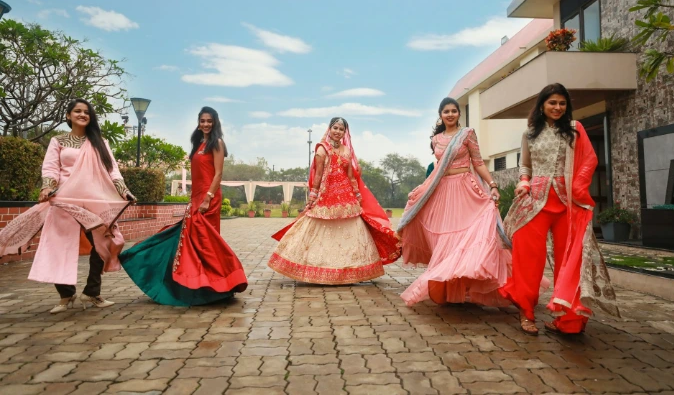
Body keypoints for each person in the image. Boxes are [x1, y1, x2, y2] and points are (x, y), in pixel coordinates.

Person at [500, 83, 619, 335]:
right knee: (529, 260)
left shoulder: (575, 130)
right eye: (552, 102)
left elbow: (590, 159)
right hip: (535, 202)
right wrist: (523, 182)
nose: (557, 107)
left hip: (568, 204)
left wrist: (578, 187)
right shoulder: (530, 133)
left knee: (570, 261)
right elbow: (525, 166)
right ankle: (526, 312)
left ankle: (569, 320)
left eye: (562, 103)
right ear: (542, 105)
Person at [0, 98, 136, 313]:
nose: (82, 115)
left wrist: (123, 190)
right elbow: (51, 167)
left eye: (86, 112)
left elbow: (112, 170)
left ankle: (92, 292)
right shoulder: (59, 141)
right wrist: (47, 187)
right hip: (65, 200)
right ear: (68, 116)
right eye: (77, 111)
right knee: (58, 245)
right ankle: (66, 294)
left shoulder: (100, 142)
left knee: (106, 242)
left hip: (95, 200)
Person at [396, 97, 518, 307]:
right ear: (440, 115)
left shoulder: (467, 134)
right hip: (443, 191)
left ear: (458, 114)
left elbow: (478, 162)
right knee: (445, 240)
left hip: (465, 188)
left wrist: (493, 185)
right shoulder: (436, 139)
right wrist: (422, 188)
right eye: (446, 112)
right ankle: (449, 287)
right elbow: (437, 169)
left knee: (467, 236)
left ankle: (468, 283)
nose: (450, 114)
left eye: (454, 111)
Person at [119, 107, 247, 306]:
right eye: (202, 120)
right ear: (198, 122)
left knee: (206, 242)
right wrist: (194, 198)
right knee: (192, 242)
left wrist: (208, 198)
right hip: (196, 197)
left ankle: (220, 284)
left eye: (209, 121)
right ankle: (199, 286)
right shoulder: (198, 144)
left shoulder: (217, 143)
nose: (205, 124)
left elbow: (218, 174)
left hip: (209, 198)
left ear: (215, 123)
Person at [268, 117, 400, 284]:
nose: (338, 132)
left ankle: (352, 271)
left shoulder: (347, 151)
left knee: (353, 231)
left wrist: (357, 194)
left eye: (341, 129)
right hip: (326, 196)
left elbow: (351, 175)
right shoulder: (322, 150)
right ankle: (315, 269)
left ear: (345, 132)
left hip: (347, 199)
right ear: (329, 129)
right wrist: (313, 195)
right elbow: (318, 174)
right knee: (315, 228)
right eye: (335, 128)